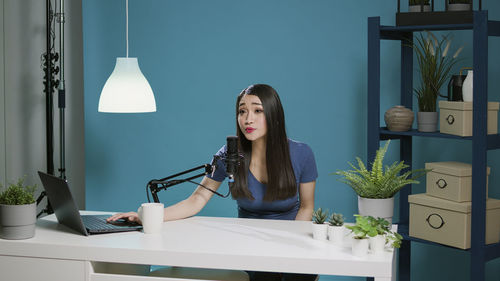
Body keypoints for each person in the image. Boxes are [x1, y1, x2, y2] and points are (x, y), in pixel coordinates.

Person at [108, 84, 318, 281]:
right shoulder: (229, 154)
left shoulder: (301, 154)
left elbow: (307, 207)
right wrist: (146, 217)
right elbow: (197, 199)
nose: (247, 119)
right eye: (242, 111)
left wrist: (290, 249)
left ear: (274, 115)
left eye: (257, 111)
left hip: (292, 242)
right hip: (250, 247)